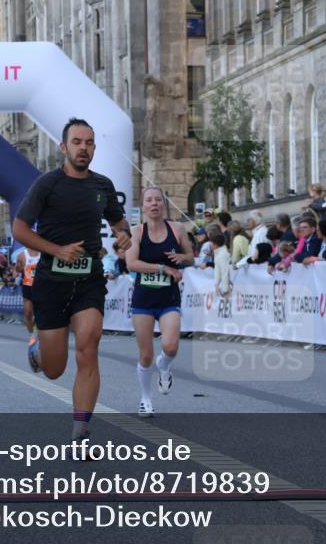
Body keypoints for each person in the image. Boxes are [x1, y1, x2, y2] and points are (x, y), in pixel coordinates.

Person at [11, 118, 131, 444]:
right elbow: (19, 230)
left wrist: (123, 238)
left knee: (89, 345)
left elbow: (121, 225)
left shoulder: (103, 186)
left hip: (89, 278)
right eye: (77, 142)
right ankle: (38, 351)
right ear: (64, 147)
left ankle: (81, 431)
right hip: (51, 280)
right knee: (54, 370)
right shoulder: (46, 185)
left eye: (89, 142)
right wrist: (57, 250)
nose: (84, 148)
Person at [125, 186, 194, 417]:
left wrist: (183, 258)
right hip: (143, 299)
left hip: (168, 298)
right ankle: (145, 399)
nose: (154, 204)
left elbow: (191, 257)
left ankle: (164, 366)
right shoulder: (136, 232)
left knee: (170, 346)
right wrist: (163, 268)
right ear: (143, 206)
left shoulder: (177, 229)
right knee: (146, 355)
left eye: (158, 200)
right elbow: (131, 263)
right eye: (149, 200)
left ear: (163, 204)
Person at [14, 245, 41, 350]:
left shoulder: (43, 253)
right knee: (28, 313)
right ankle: (32, 335)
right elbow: (17, 270)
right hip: (28, 287)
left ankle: (40, 332)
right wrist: (18, 266)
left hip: (42, 287)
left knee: (41, 314)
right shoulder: (22, 255)